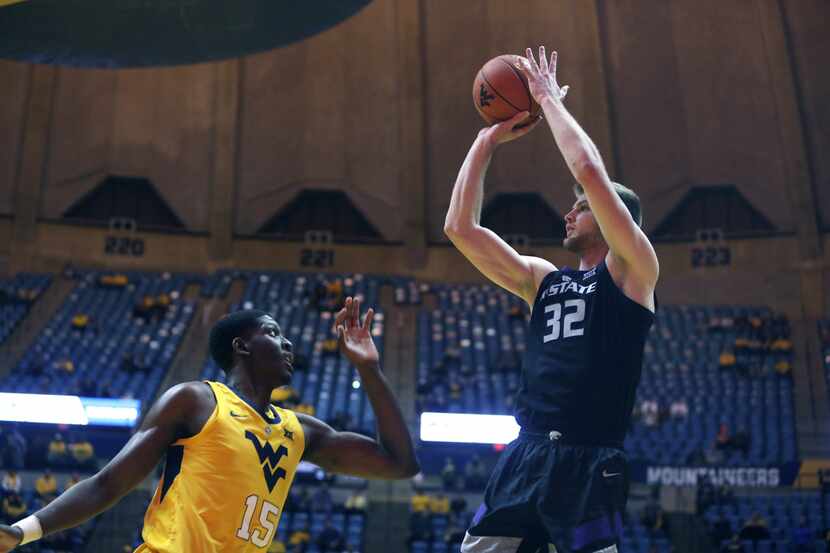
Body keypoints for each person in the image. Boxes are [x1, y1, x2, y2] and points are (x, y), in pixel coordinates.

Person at [445, 46, 659, 553]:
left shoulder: (634, 269)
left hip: (589, 460)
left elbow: (587, 168)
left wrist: (545, 96)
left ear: (614, 221)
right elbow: (459, 227)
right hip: (526, 454)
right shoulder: (544, 280)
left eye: (580, 208)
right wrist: (485, 141)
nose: (568, 214)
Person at [0, 297, 418, 552]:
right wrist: (23, 532)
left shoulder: (301, 430)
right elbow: (108, 483)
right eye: (273, 333)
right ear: (242, 347)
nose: (287, 343)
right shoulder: (197, 400)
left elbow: (399, 464)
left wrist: (369, 370)